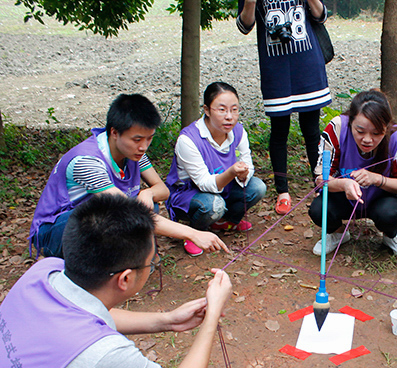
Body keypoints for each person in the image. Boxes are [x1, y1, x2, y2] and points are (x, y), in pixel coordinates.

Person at [1, 194, 233, 368]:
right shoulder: (101, 353)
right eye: (151, 263)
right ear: (125, 278)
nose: (152, 266)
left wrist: (167, 320)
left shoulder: (44, 272)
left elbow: (89, 312)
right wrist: (212, 316)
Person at [29, 93, 229, 258]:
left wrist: (147, 193)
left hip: (93, 218)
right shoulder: (88, 161)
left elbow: (162, 190)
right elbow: (128, 212)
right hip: (55, 231)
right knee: (117, 215)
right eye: (137, 139)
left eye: (149, 139)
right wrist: (193, 233)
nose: (143, 146)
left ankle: (125, 260)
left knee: (147, 205)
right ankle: (94, 269)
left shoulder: (134, 153)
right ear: (114, 132)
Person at [237, 0, 331, 216]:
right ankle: (283, 191)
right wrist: (250, 2)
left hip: (307, 62)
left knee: (311, 130)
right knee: (279, 131)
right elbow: (244, 25)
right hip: (275, 66)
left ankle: (319, 185)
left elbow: (321, 15)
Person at [308, 89, 397, 260]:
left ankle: (390, 236)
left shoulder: (396, 138)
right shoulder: (337, 128)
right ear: (350, 122)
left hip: (381, 199)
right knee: (319, 209)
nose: (367, 139)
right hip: (343, 196)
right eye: (360, 131)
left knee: (390, 214)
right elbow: (320, 178)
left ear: (386, 128)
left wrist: (377, 179)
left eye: (376, 133)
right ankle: (338, 233)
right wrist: (344, 184)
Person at [165, 82, 267, 256]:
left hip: (223, 186)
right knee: (214, 205)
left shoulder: (238, 132)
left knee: (257, 187)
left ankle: (224, 222)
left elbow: (248, 164)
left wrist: (244, 174)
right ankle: (194, 233)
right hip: (189, 193)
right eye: (222, 110)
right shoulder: (188, 140)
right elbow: (204, 183)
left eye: (234, 110)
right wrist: (231, 172)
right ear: (206, 110)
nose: (229, 117)